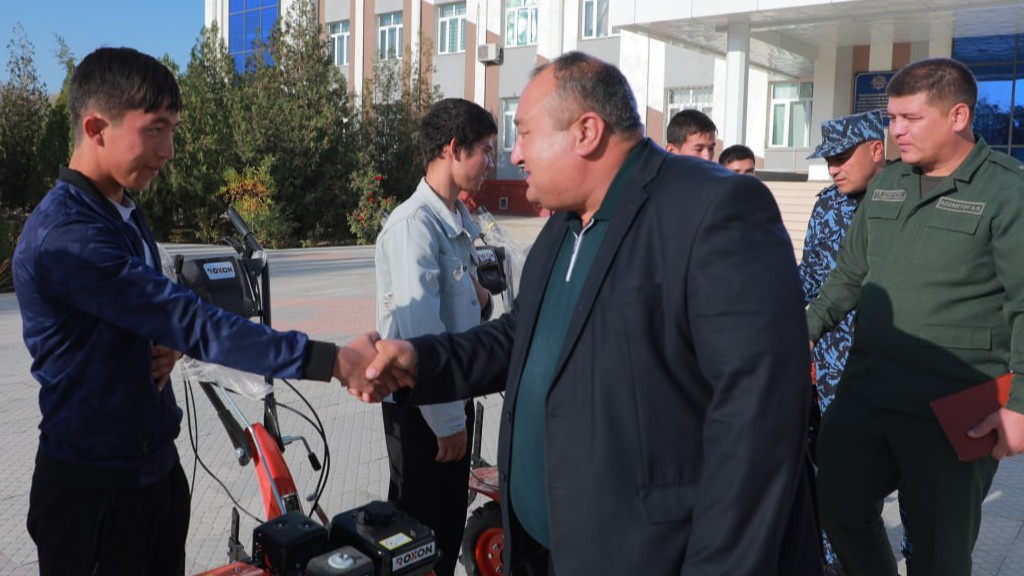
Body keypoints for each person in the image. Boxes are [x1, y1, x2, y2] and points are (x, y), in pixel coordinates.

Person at [363, 51, 821, 576]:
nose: (515, 154)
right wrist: (418, 360)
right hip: (546, 551)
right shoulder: (565, 224)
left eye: (525, 134)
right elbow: (520, 337)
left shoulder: (714, 209)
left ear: (586, 132)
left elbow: (756, 426)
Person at [13, 47, 385, 576]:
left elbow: (153, 313)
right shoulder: (66, 236)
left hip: (154, 473)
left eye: (174, 131)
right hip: (94, 492)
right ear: (96, 127)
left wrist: (159, 339)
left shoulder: (122, 212)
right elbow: (189, 320)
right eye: (155, 129)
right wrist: (334, 361)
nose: (168, 151)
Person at [807, 57, 1024, 576]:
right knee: (835, 505)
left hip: (954, 403)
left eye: (911, 118)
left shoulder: (1006, 190)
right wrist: (802, 332)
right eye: (892, 118)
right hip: (868, 389)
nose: (896, 131)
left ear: (958, 116)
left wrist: (1019, 405)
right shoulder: (889, 182)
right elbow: (848, 275)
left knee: (938, 552)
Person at [375, 98, 496, 576]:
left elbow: (464, 309)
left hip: (449, 395)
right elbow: (420, 333)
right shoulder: (414, 226)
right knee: (418, 542)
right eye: (485, 150)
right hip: (422, 407)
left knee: (444, 532)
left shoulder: (457, 222)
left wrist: (482, 301)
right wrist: (447, 422)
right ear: (453, 148)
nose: (491, 162)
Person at [801, 110, 887, 576]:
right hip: (836, 363)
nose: (833, 168)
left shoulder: (906, 198)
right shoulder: (827, 206)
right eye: (828, 159)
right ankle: (835, 561)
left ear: (876, 149)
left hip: (895, 361)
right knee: (836, 468)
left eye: (841, 157)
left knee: (912, 474)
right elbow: (811, 276)